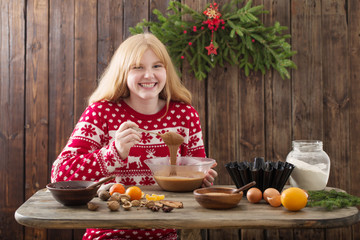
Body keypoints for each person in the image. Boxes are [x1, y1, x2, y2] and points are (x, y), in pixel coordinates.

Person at [51, 33, 218, 240]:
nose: (149, 75)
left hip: (166, 234)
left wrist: (201, 178)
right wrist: (113, 153)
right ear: (123, 72)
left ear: (167, 71)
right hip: (107, 234)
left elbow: (194, 178)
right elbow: (59, 174)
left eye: (157, 66)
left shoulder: (185, 115)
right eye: (138, 67)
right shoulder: (101, 113)